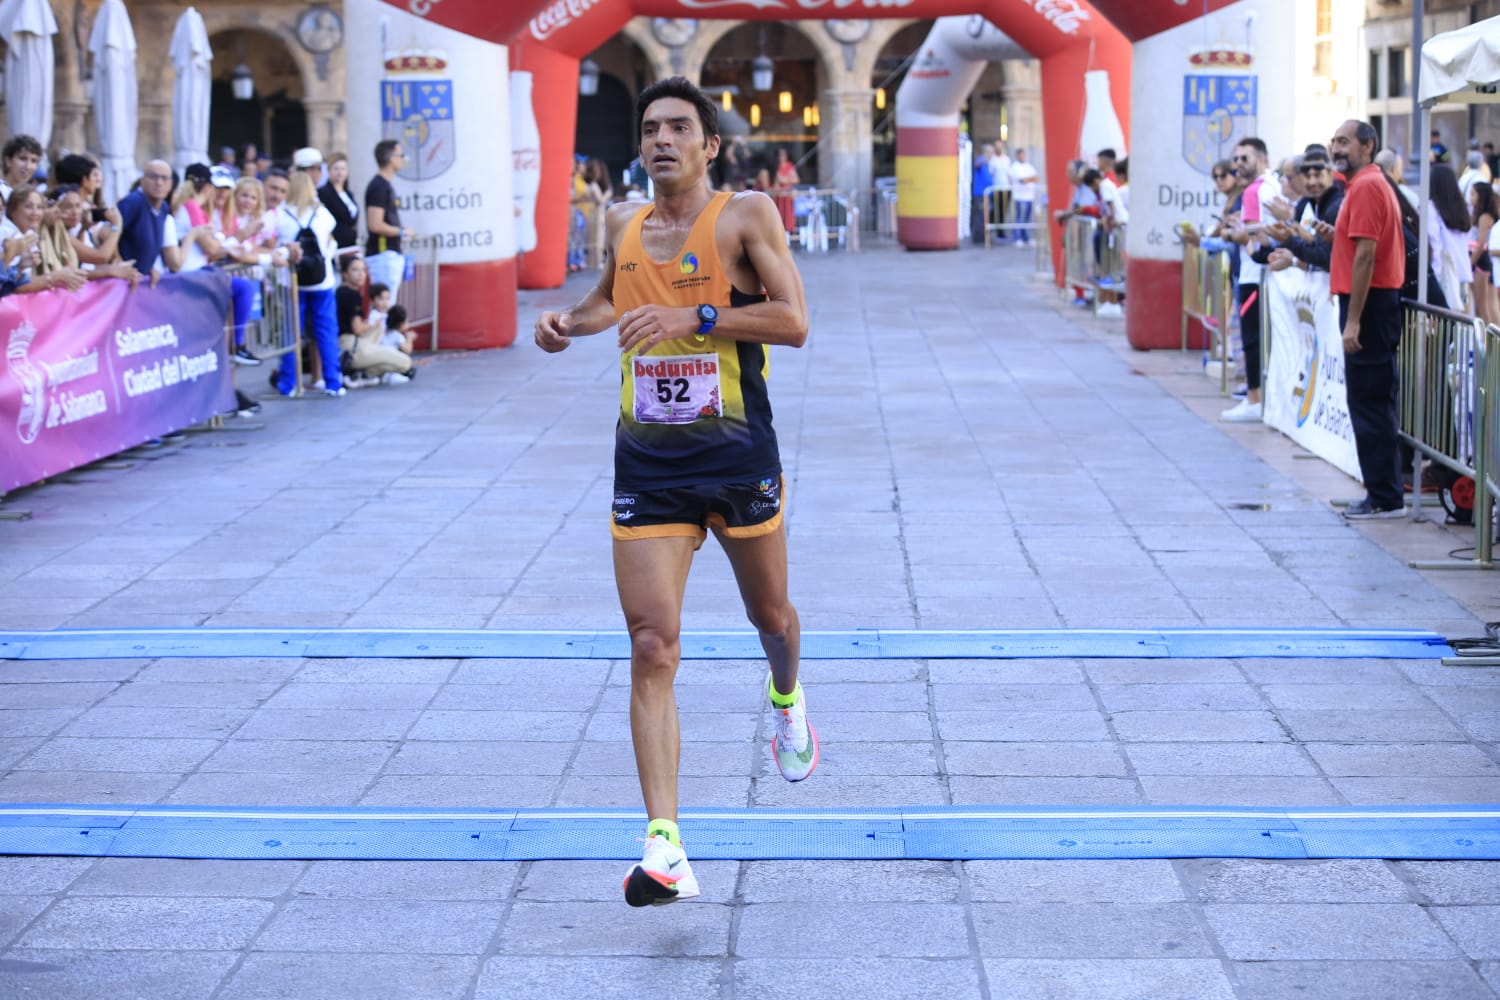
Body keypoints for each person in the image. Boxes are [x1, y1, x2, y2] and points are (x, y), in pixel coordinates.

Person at [534, 77, 814, 909]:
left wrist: (696, 322)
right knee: (653, 645)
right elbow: (606, 301)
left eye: (678, 128)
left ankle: (788, 695)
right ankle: (665, 846)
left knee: (773, 619)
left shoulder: (744, 215)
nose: (661, 140)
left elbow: (794, 321)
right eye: (651, 127)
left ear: (709, 145)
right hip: (648, 465)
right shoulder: (621, 221)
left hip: (736, 455)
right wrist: (564, 326)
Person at [1327, 120, 1407, 520]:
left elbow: (1366, 256)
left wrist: (1353, 320)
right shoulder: (1365, 186)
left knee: (1370, 400)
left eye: (1344, 141)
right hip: (1371, 302)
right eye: (1334, 141)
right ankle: (1382, 492)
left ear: (1367, 146)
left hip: (1371, 305)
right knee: (1369, 399)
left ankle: (1385, 497)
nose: (1336, 147)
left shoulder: (1368, 186)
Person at [272, 171, 344, 396]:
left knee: (291, 334)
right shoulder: (322, 213)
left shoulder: (280, 215)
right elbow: (331, 243)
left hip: (292, 282)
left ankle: (288, 383)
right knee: (326, 333)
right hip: (322, 282)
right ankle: (333, 382)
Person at [1220, 137, 1275, 423]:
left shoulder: (1256, 190)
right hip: (1260, 275)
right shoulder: (1267, 186)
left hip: (1254, 276)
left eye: (1245, 158)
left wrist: (1232, 234)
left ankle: (1254, 398)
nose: (1239, 164)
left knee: (1252, 339)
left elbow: (1251, 235)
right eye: (1236, 159)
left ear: (1262, 158)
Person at [335, 254, 412, 385]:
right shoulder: (351, 294)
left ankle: (362, 374)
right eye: (355, 270)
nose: (361, 274)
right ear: (345, 274)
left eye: (363, 270)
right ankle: (362, 373)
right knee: (406, 362)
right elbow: (358, 329)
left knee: (380, 334)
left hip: (348, 344)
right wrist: (371, 324)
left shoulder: (342, 291)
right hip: (351, 347)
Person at [365, 138, 415, 302]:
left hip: (390, 254)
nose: (402, 159)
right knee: (384, 304)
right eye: (401, 155)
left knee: (389, 303)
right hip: (383, 255)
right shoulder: (379, 186)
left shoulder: (385, 185)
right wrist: (401, 231)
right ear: (390, 158)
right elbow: (375, 224)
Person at [116, 159, 181, 275]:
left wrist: (150, 268)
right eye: (153, 177)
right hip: (123, 283)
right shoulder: (133, 202)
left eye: (164, 178)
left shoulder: (164, 207)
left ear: (171, 184)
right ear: (142, 181)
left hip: (140, 280)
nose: (159, 182)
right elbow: (104, 233)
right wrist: (119, 263)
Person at [1427, 165, 1473, 314]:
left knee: (1443, 329)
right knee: (1460, 328)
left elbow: (1435, 244)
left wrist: (1434, 276)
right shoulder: (1461, 209)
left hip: (1443, 275)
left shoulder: (1432, 209)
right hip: (1462, 274)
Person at [318, 152, 360, 254]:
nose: (340, 173)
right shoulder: (323, 193)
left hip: (351, 244)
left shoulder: (348, 194)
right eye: (336, 169)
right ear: (329, 170)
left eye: (343, 169)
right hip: (336, 244)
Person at [1470, 182, 1499, 326]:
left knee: (1483, 307)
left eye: (1473, 194)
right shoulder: (1477, 215)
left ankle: (1489, 342)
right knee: (1483, 305)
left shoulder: (1484, 217)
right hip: (1480, 259)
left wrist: (1471, 262)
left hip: (1480, 260)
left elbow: (1481, 243)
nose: (1470, 198)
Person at [0, 135, 42, 204]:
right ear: (8, 161)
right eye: (23, 159)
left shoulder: (32, 197)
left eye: (34, 161)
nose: (28, 166)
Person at [1008, 147, 1038, 245]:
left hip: (1029, 196)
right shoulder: (1015, 167)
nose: (1023, 156)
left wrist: (1027, 179)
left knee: (1027, 218)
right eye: (1021, 155)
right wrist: (1029, 179)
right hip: (1020, 196)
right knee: (1020, 217)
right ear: (1017, 156)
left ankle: (1026, 237)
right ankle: (1018, 237)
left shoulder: (1028, 166)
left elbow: (1036, 178)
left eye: (1024, 155)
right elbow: (1022, 180)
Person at [772, 147, 798, 234]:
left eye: (783, 154)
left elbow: (796, 179)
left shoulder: (790, 166)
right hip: (780, 197)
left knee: (788, 217)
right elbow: (776, 183)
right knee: (780, 218)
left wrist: (785, 180)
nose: (781, 157)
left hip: (787, 196)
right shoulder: (777, 167)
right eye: (779, 155)